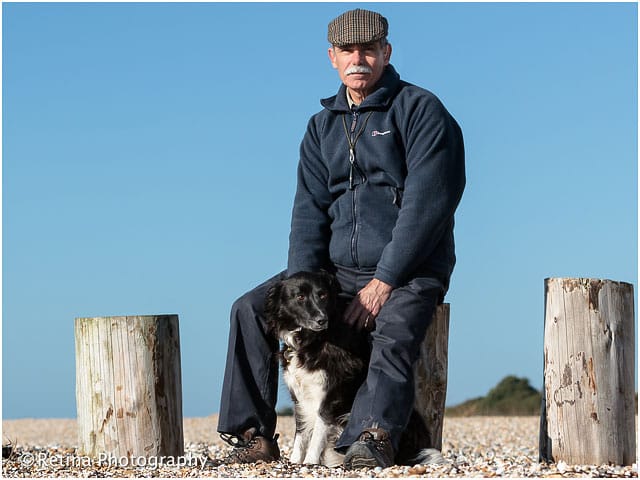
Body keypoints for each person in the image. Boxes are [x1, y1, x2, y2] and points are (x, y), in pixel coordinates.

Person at [217, 8, 465, 469]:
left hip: (409, 269)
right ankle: (251, 435)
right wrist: (300, 285)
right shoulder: (321, 126)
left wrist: (384, 282)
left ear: (385, 53)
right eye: (348, 51)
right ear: (332, 57)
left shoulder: (421, 110)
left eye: (368, 50)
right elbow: (307, 211)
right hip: (334, 270)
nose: (358, 59)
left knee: (392, 330)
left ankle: (373, 435)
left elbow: (428, 206)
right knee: (250, 309)